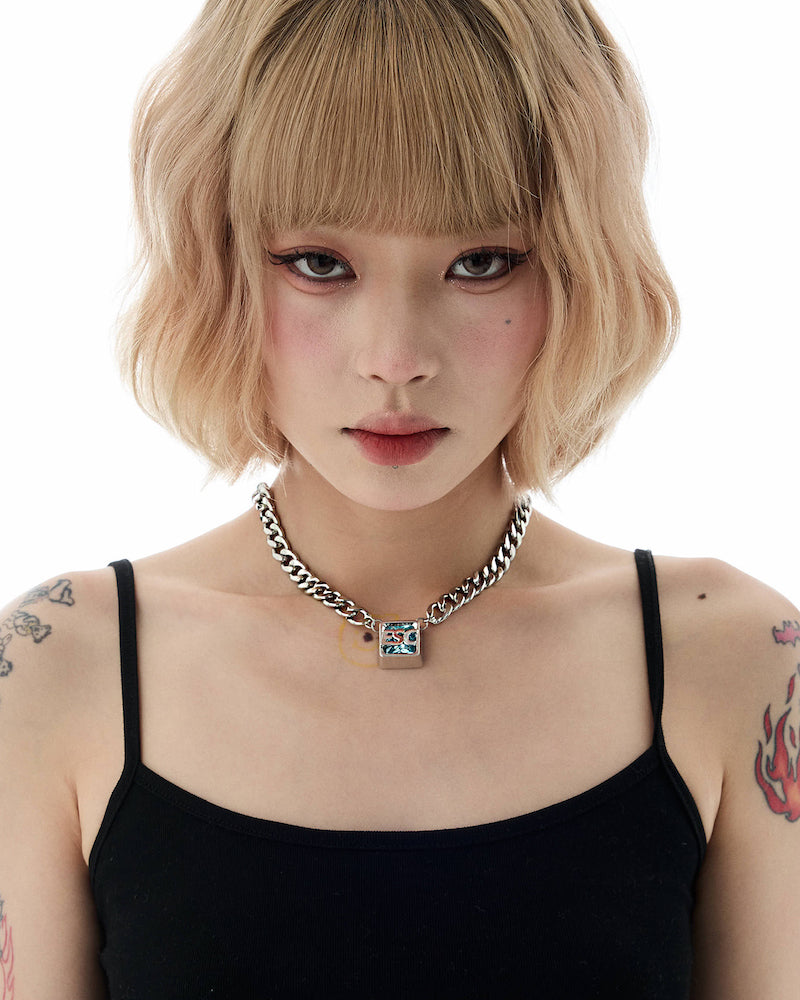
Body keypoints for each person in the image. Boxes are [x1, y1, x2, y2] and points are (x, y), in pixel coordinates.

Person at [0, 0, 797, 996]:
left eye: (480, 263)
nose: (395, 359)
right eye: (319, 264)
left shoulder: (732, 664)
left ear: (577, 267)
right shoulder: (57, 675)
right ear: (217, 263)